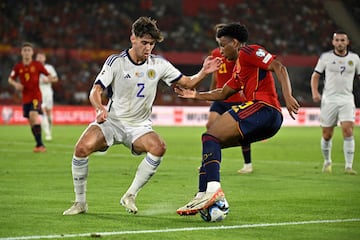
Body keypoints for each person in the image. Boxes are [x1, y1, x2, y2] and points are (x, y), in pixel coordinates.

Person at [62, 16, 222, 215]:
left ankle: (130, 195)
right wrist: (99, 107)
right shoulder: (116, 62)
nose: (148, 48)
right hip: (112, 122)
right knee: (81, 148)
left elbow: (187, 83)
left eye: (152, 44)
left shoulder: (158, 64)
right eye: (144, 43)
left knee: (158, 147)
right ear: (133, 39)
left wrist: (204, 72)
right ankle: (80, 203)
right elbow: (95, 90)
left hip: (139, 126)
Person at [175, 23, 300, 216]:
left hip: (265, 109)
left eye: (223, 45)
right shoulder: (239, 70)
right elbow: (223, 93)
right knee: (210, 144)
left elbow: (279, 66)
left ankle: (213, 190)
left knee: (210, 137)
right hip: (266, 121)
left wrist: (288, 96)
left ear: (235, 42)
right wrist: (195, 95)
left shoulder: (249, 51)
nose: (221, 51)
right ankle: (201, 195)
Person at [310, 30, 360, 175]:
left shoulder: (355, 59)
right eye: (337, 40)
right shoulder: (326, 57)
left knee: (348, 131)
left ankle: (349, 166)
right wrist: (315, 92)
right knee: (327, 134)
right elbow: (315, 76)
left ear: (347, 42)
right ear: (333, 42)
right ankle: (327, 162)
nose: (339, 43)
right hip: (329, 99)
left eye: (342, 40)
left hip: (346, 99)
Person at [207, 23, 252, 174]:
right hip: (220, 98)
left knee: (241, 133)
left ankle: (248, 163)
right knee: (210, 127)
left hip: (235, 97)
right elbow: (215, 74)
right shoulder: (215, 53)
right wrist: (211, 92)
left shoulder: (236, 53)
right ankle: (209, 161)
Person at [8, 42, 54, 153]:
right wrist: (16, 85)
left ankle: (41, 145)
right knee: (31, 122)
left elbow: (50, 76)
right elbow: (10, 79)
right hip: (25, 98)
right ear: (21, 52)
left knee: (33, 115)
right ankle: (39, 144)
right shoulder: (18, 67)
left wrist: (48, 79)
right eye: (25, 50)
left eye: (29, 50)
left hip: (36, 96)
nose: (27, 52)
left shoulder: (37, 65)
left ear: (32, 53)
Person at [36, 52, 59, 141]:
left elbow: (56, 79)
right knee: (42, 111)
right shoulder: (34, 68)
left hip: (48, 91)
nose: (40, 58)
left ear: (44, 58)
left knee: (49, 113)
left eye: (41, 56)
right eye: (38, 57)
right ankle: (47, 133)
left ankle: (49, 130)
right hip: (38, 91)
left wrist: (48, 80)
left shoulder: (49, 68)